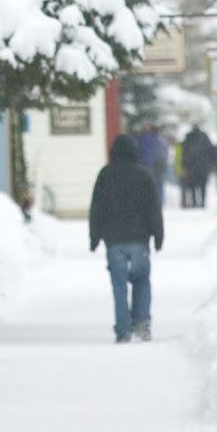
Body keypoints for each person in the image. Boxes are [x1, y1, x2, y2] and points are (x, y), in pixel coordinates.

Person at [89, 134, 163, 342]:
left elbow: (97, 208)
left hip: (114, 240)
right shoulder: (144, 175)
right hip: (139, 239)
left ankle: (123, 330)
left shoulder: (106, 175)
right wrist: (158, 235)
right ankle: (142, 323)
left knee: (119, 286)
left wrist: (94, 237)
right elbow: (153, 209)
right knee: (142, 281)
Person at [181, 123, 216, 209]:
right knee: (202, 185)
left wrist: (184, 164)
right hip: (202, 166)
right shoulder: (204, 137)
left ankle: (194, 202)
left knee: (192, 185)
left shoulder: (188, 137)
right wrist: (211, 163)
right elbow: (211, 150)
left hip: (191, 166)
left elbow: (184, 152)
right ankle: (202, 202)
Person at [136, 123, 169, 207]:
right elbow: (164, 153)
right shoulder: (161, 140)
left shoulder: (141, 139)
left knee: (147, 186)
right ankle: (158, 203)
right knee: (158, 185)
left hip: (146, 166)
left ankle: (149, 203)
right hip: (157, 167)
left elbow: (140, 153)